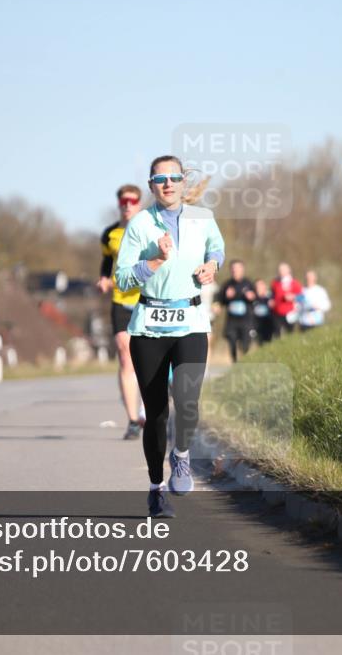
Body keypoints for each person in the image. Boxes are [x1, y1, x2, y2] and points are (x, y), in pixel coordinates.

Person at [115, 155, 225, 518]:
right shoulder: (139, 225)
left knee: (189, 402)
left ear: (182, 182)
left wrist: (212, 265)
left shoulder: (203, 218)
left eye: (174, 178)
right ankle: (155, 489)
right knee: (158, 413)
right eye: (160, 179)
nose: (168, 184)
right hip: (149, 325)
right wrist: (156, 261)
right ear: (151, 186)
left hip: (191, 320)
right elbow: (123, 278)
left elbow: (216, 248)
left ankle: (181, 456)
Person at [98, 184, 146, 440]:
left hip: (148, 299)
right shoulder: (110, 234)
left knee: (149, 358)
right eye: (123, 201)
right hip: (121, 300)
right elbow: (107, 262)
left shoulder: (150, 228)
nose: (128, 205)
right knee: (125, 355)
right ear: (119, 204)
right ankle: (132, 421)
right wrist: (104, 278)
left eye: (133, 201)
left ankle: (147, 408)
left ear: (139, 203)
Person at [216, 260, 256, 362]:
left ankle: (244, 360)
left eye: (238, 269)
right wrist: (226, 297)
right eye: (233, 269)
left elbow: (258, 299)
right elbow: (219, 300)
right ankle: (234, 362)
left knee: (245, 344)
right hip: (232, 321)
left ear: (242, 270)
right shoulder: (227, 284)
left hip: (246, 321)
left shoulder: (249, 283)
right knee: (231, 340)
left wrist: (252, 297)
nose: (235, 271)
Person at [270, 263, 302, 337]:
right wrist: (271, 301)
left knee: (290, 333)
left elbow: (302, 297)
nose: (281, 272)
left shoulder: (294, 283)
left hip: (290, 313)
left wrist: (293, 297)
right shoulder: (275, 283)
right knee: (277, 334)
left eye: (283, 270)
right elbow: (272, 295)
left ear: (289, 271)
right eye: (280, 270)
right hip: (277, 313)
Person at [252, 279, 274, 346]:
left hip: (269, 324)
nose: (259, 288)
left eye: (261, 286)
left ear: (265, 286)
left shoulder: (270, 297)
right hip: (256, 325)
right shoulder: (252, 298)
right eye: (257, 287)